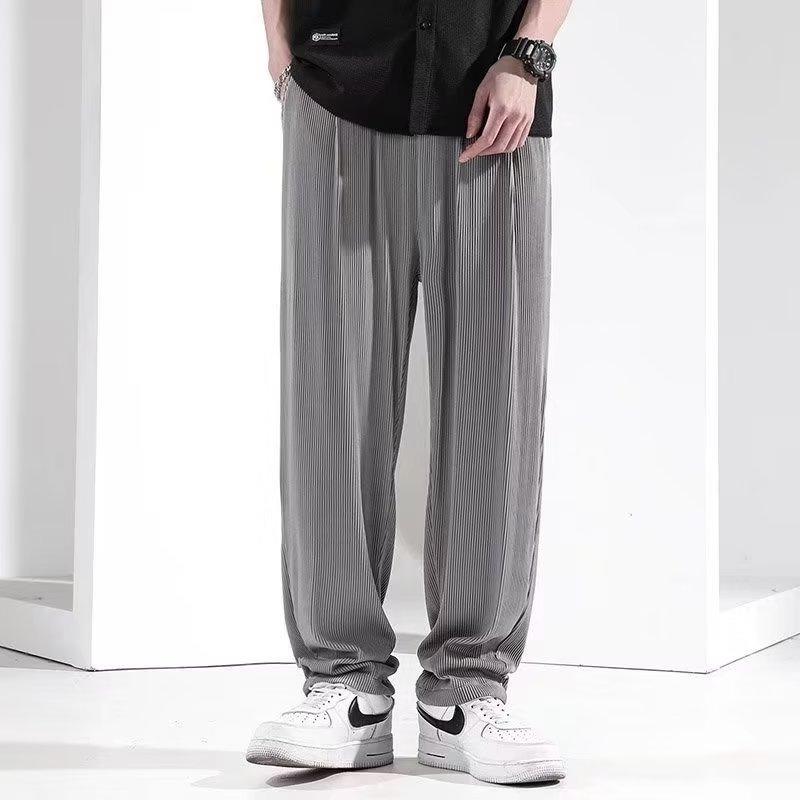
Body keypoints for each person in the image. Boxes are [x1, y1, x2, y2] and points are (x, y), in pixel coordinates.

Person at [248, 0, 573, 785]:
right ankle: (344, 685)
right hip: (338, 89)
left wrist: (529, 54)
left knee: (496, 400)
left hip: (494, 101)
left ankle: (468, 689)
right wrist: (279, 45)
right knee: (331, 397)